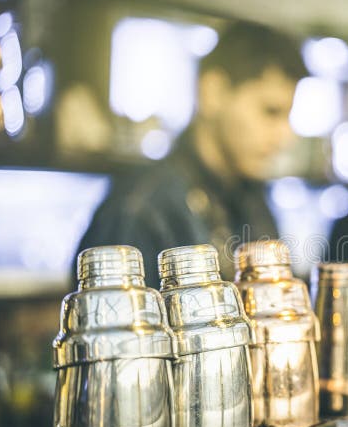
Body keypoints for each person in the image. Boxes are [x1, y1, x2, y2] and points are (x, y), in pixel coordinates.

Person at [78, 21, 306, 284]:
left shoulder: (253, 201)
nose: (285, 136)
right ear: (213, 93)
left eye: (288, 116)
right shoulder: (142, 207)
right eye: (271, 111)